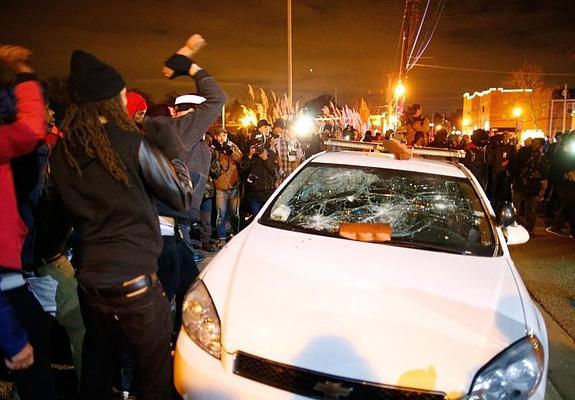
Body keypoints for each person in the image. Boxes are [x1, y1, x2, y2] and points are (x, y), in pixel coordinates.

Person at [43, 49, 193, 400]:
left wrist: (52, 256)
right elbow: (182, 196)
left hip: (91, 284)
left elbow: (53, 224)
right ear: (111, 101)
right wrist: (170, 145)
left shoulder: (63, 154)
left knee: (97, 368)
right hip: (135, 284)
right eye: (122, 93)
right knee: (153, 375)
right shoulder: (132, 144)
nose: (126, 98)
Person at [0, 44, 57, 400]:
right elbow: (30, 130)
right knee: (33, 349)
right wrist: (23, 71)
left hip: (11, 270)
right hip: (5, 278)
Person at [509, 138, 547, 234]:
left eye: (538, 144)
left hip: (533, 186)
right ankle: (516, 226)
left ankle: (529, 229)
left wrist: (538, 175)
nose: (535, 145)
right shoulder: (522, 152)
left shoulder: (542, 157)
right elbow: (513, 165)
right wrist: (522, 170)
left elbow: (545, 172)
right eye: (534, 143)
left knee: (531, 209)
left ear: (541, 146)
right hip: (520, 183)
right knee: (515, 207)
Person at [212, 128, 243, 244]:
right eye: (219, 136)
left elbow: (240, 159)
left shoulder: (233, 146)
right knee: (221, 214)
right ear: (215, 137)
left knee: (234, 213)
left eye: (223, 136)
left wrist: (230, 152)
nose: (221, 138)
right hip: (220, 186)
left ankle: (234, 235)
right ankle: (222, 238)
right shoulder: (214, 149)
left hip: (233, 185)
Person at [240, 137, 279, 219]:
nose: (258, 148)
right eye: (255, 146)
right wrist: (250, 155)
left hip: (267, 192)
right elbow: (242, 169)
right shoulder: (249, 156)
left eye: (259, 145)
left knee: (267, 218)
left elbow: (275, 171)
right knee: (257, 218)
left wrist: (266, 160)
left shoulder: (270, 154)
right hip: (253, 193)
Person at [270, 120, 305, 184]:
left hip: (293, 176)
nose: (295, 133)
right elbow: (272, 159)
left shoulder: (296, 142)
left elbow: (301, 157)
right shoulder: (277, 142)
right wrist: (280, 173)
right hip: (281, 177)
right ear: (287, 131)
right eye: (293, 131)